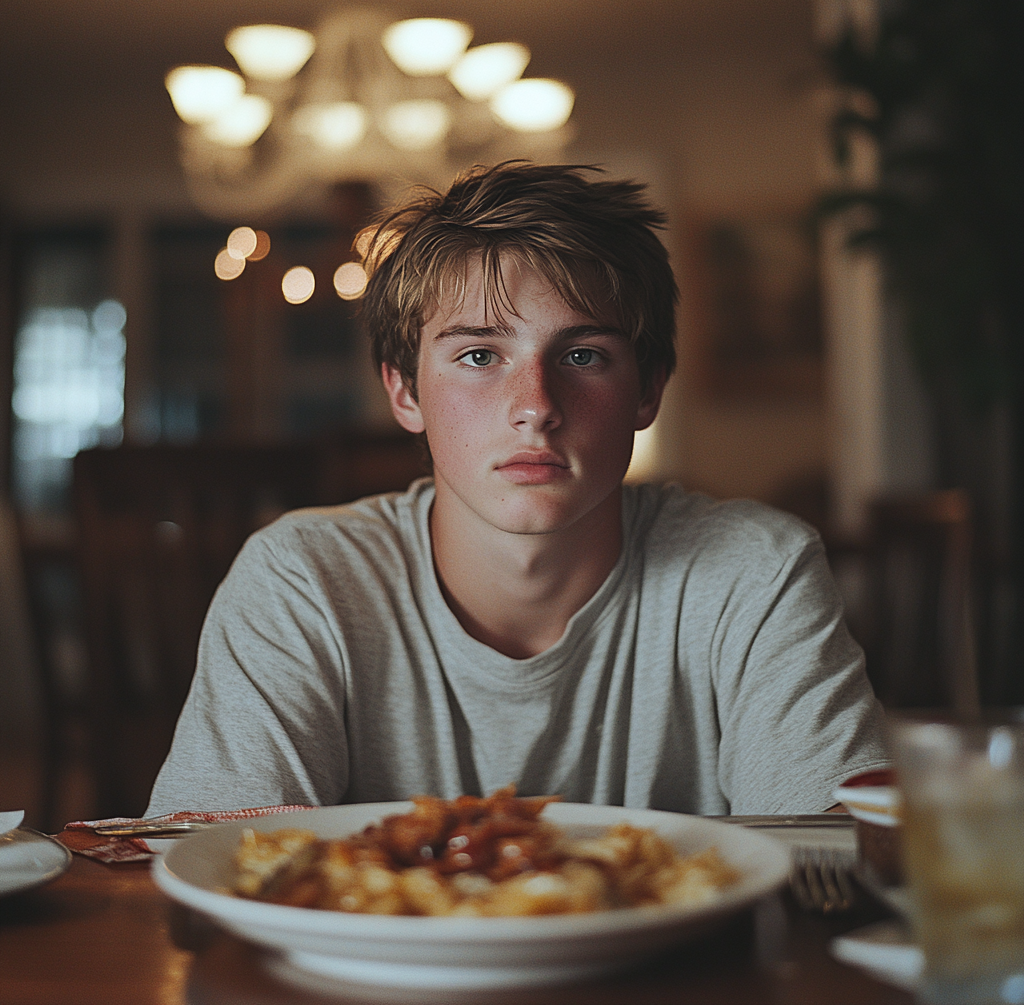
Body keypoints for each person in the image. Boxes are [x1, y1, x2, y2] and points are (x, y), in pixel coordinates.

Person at [147, 161, 887, 817]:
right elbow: (213, 869)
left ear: (647, 391)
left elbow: (833, 864)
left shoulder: (753, 572)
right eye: (478, 354)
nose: (536, 403)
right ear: (404, 392)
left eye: (584, 353)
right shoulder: (301, 580)